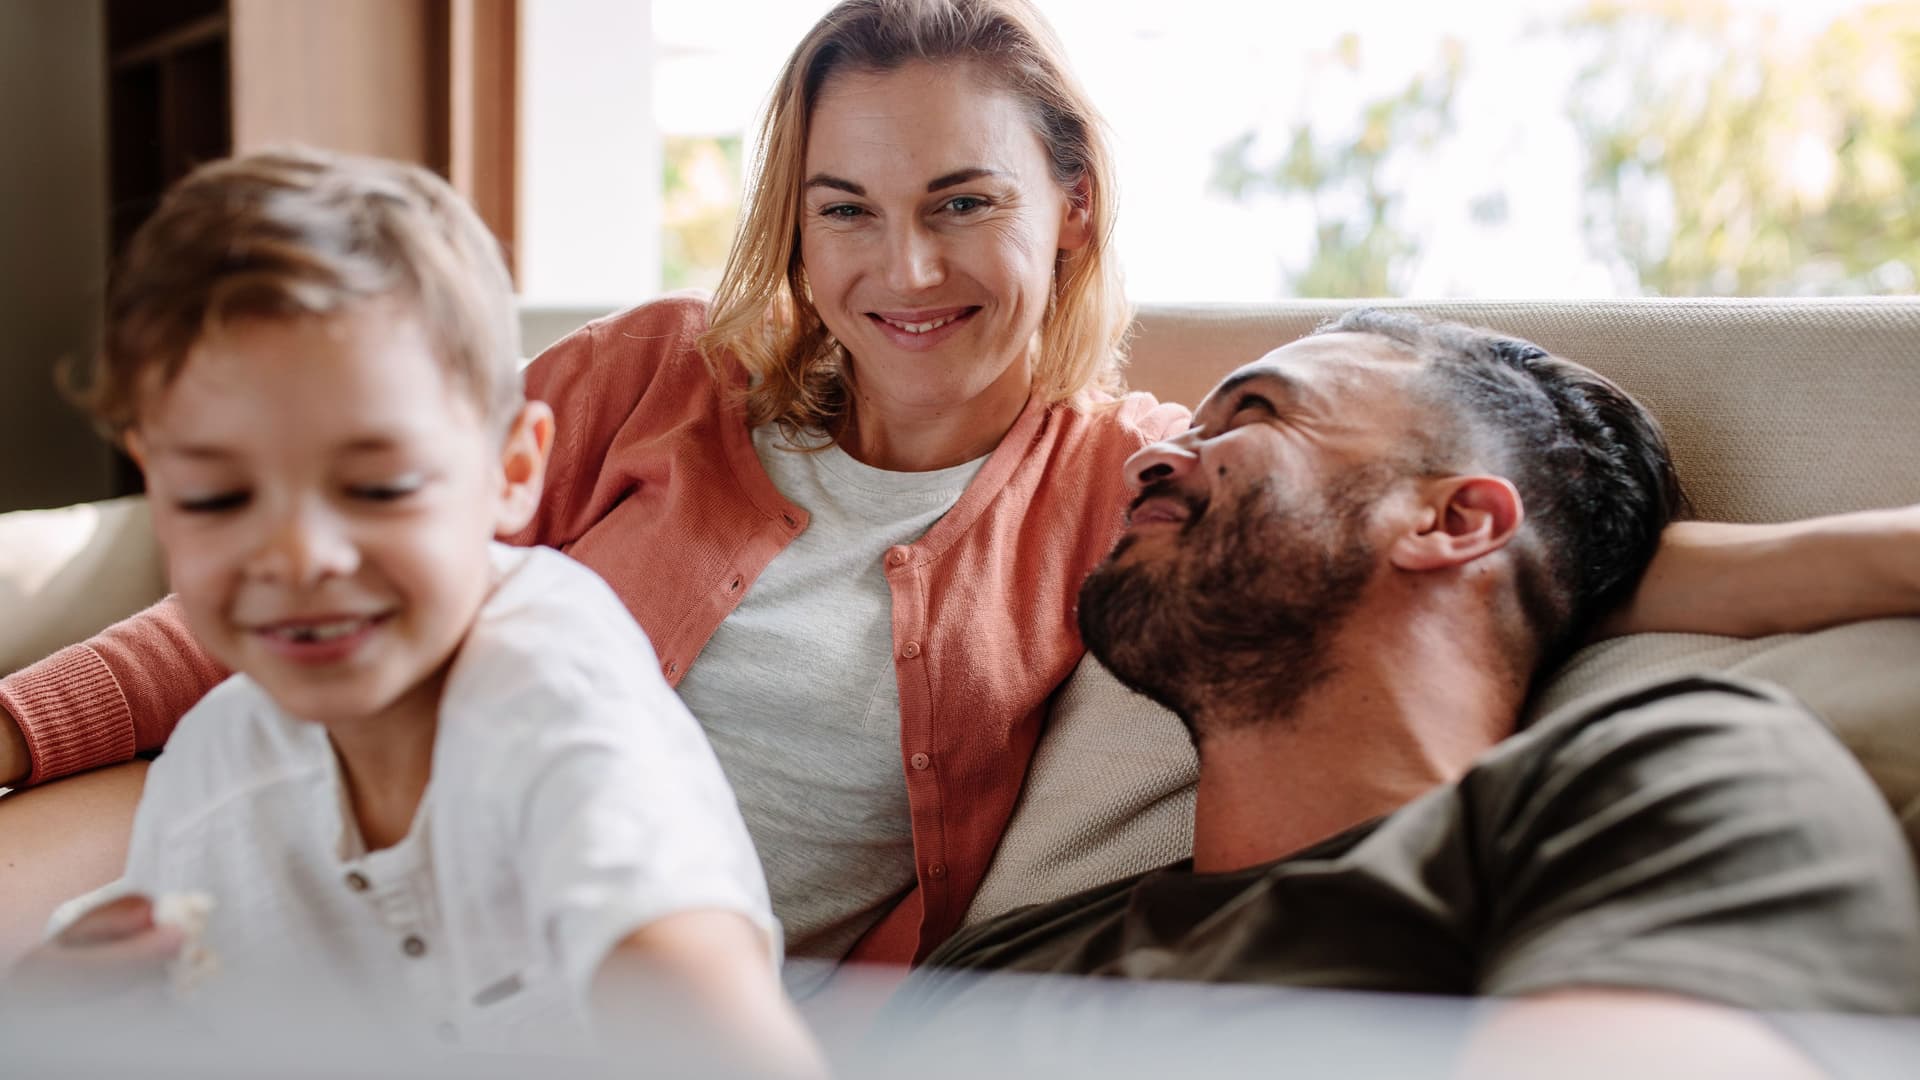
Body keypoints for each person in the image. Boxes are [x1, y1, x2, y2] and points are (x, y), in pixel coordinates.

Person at [3, 0, 1919, 993]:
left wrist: (1882, 544)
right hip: (312, 825)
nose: (897, 267)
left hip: (606, 954)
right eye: (843, 209)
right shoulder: (659, 371)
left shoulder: (1133, 480)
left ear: (1066, 210)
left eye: (961, 202)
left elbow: (1579, 554)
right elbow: (278, 594)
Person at [895, 312, 1920, 1072]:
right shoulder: (1000, 960)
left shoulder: (1659, 787)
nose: (1153, 458)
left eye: (1253, 414)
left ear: (1455, 523)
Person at [2, 148, 823, 1073]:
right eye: (217, 499)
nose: (298, 557)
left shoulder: (556, 697)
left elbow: (697, 998)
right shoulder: (217, 765)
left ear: (514, 471)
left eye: (378, 487)